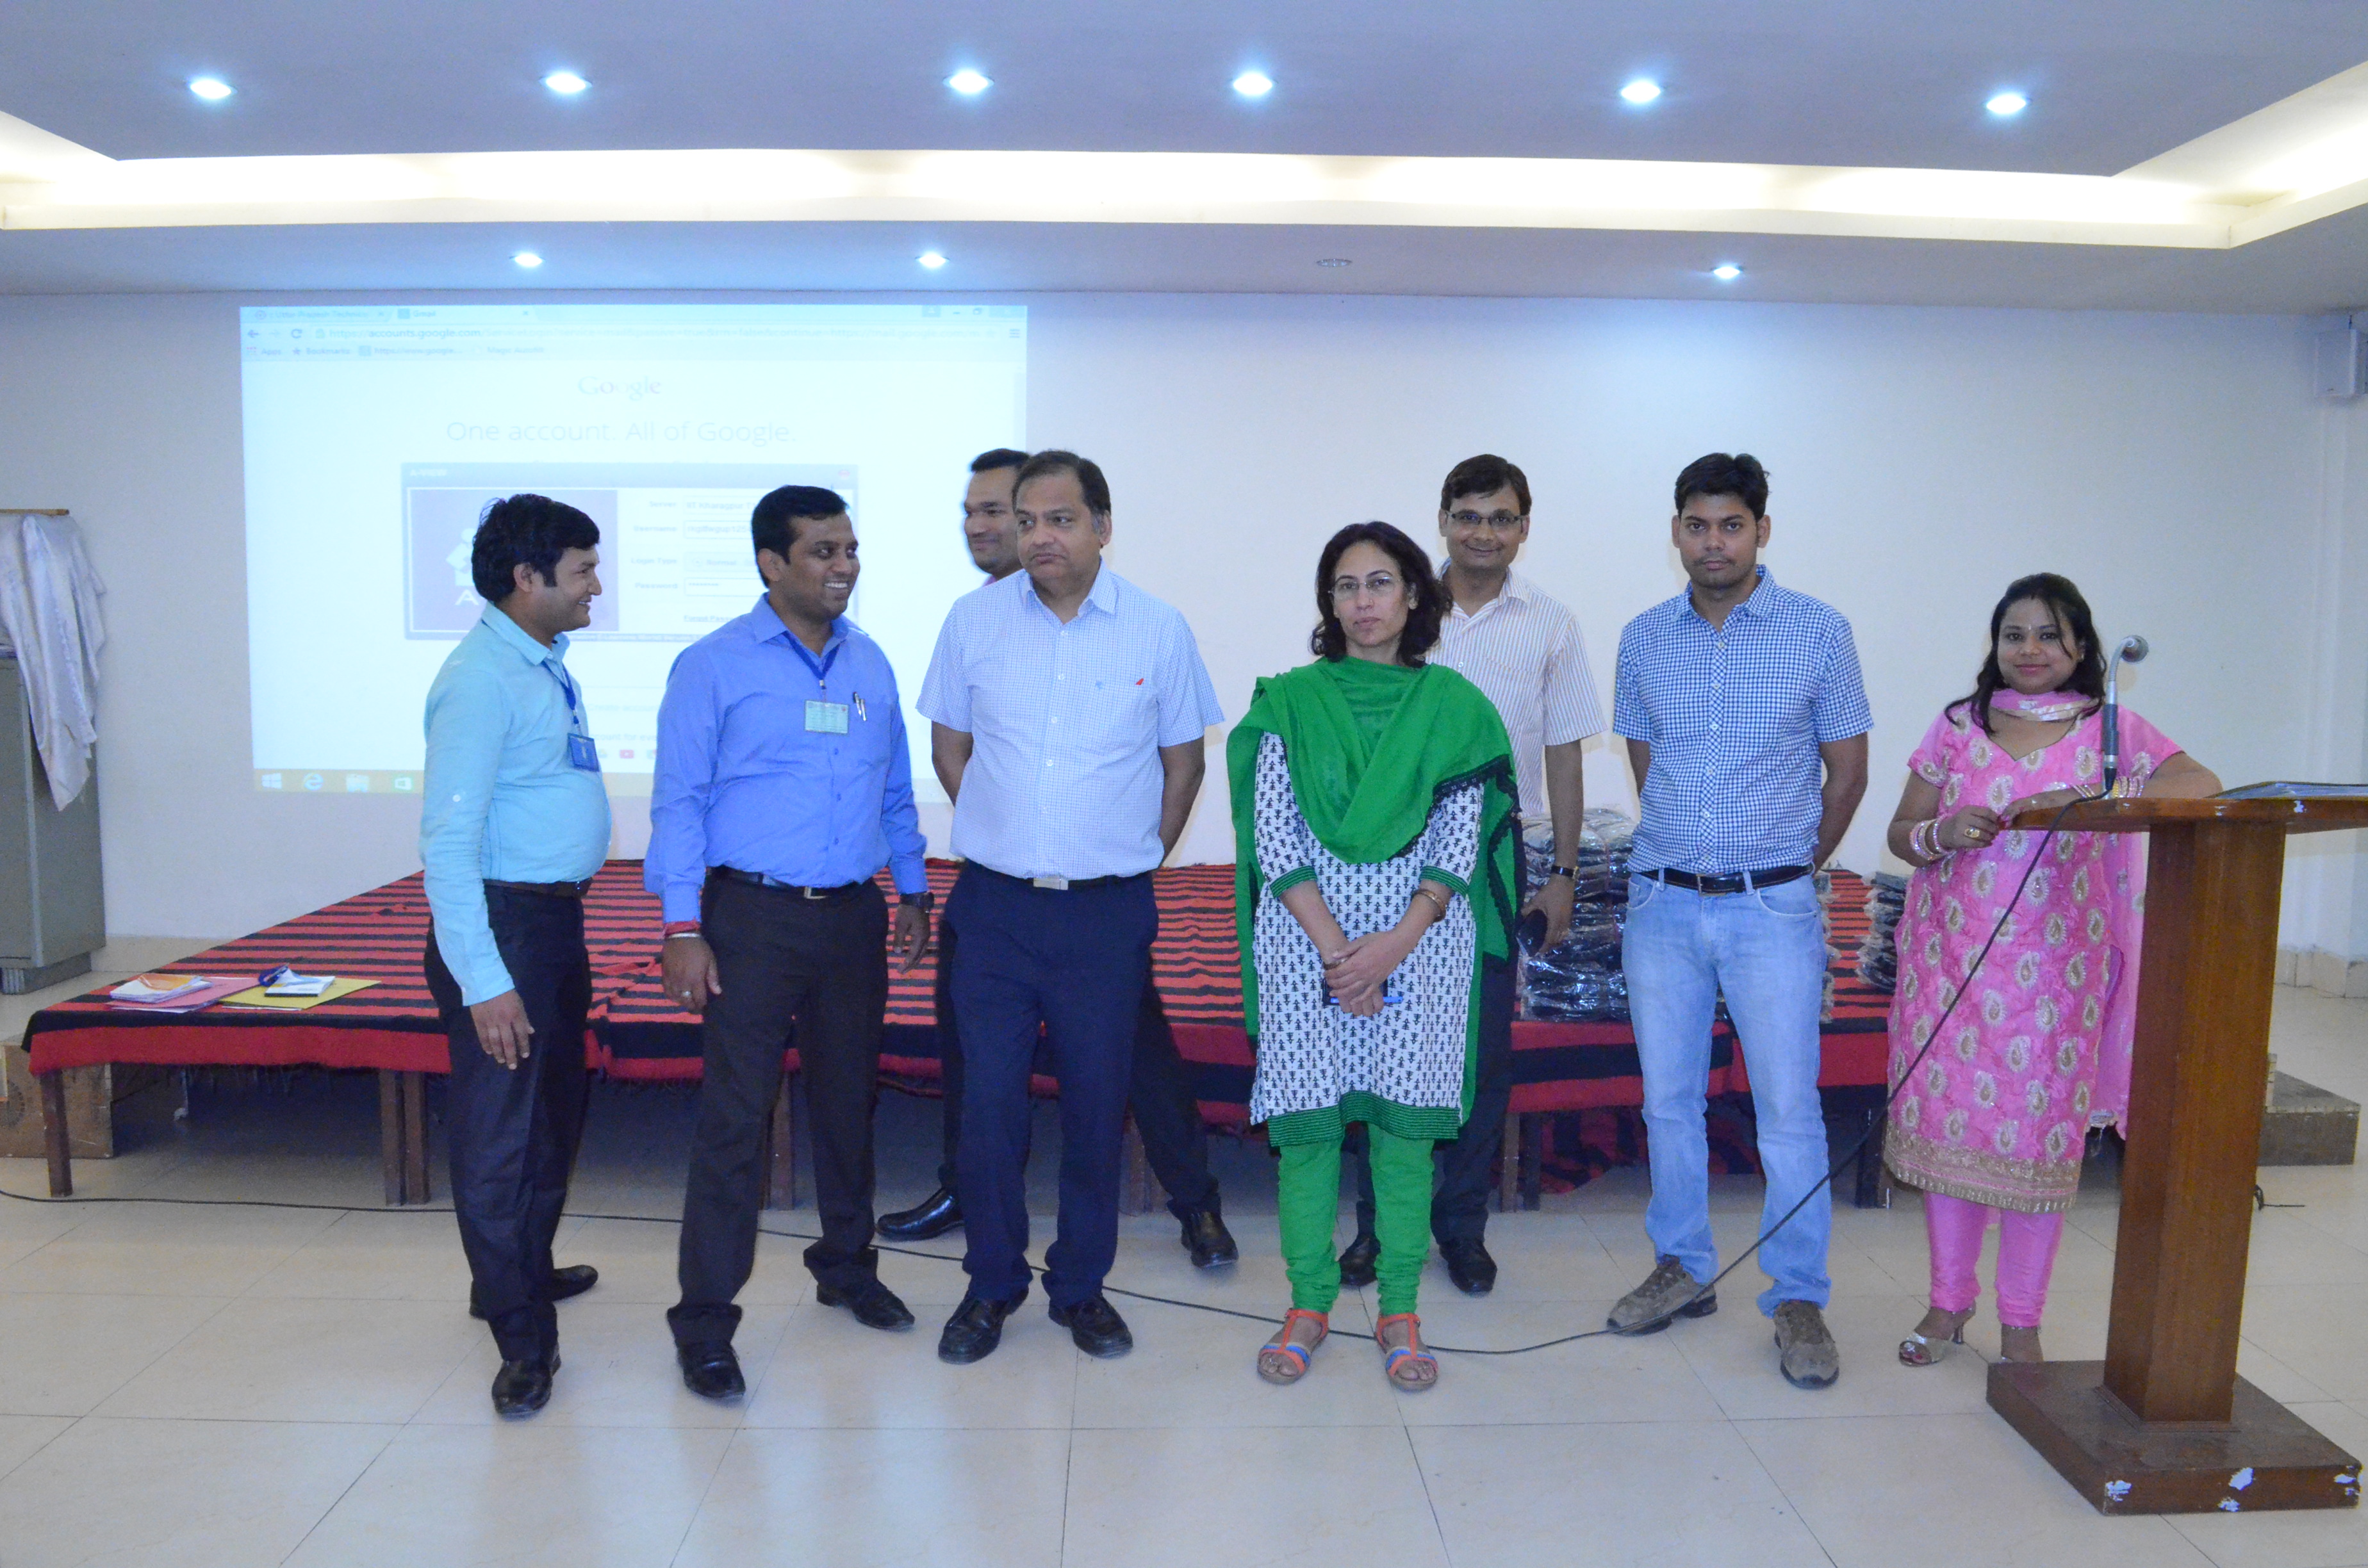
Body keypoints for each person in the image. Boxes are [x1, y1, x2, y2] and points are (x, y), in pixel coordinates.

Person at [880, 449, 1237, 1270]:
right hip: (996, 905)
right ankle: (991, 1283)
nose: (1040, 536)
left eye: (1062, 520)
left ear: (1103, 527)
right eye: (1028, 521)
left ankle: (1082, 1285)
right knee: (989, 1105)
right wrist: (1012, 831)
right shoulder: (974, 621)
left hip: (1105, 911)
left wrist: (1131, 857)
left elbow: (1184, 765)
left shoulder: (1157, 627)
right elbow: (949, 750)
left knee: (1095, 1109)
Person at [1884, 573, 2217, 1367]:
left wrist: (2100, 797)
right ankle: (1948, 1305)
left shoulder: (2110, 730)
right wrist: (1942, 833)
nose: (2029, 650)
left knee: (2037, 1147)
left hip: (2054, 982)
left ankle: (2022, 1325)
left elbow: (2199, 785)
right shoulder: (1958, 724)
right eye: (2014, 635)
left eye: (2048, 635)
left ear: (2080, 648)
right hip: (1951, 969)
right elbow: (1902, 832)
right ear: (1995, 645)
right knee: (1950, 1138)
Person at [647, 484, 933, 1401]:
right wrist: (681, 926)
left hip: (851, 917)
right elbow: (679, 803)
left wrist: (913, 888)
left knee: (849, 1104)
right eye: (823, 551)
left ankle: (846, 1267)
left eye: (851, 550)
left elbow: (894, 789)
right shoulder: (713, 665)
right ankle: (705, 1321)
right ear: (772, 563)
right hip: (752, 919)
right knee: (736, 1121)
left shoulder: (869, 661)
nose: (844, 567)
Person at [1231, 522, 1518, 1390]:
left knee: (1403, 1138)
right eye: (1347, 585)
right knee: (1309, 1134)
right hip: (1305, 949)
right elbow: (1275, 838)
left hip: (1421, 951)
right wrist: (1339, 956)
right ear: (1328, 602)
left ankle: (1400, 1309)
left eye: (1381, 582)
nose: (1364, 602)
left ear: (1413, 595)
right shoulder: (1288, 703)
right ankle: (1308, 1304)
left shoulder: (1455, 708)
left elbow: (1457, 846)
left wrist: (1390, 949)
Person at [1607, 452, 1870, 1391]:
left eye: (1730, 526)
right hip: (1664, 903)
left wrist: (1792, 870)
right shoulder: (1644, 638)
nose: (1712, 543)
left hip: (1773, 906)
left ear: (1762, 531)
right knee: (1668, 1102)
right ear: (1676, 532)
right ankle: (1682, 1266)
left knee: (1788, 1111)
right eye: (1696, 525)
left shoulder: (1819, 632)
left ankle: (1797, 1296)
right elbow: (1647, 764)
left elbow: (1849, 774)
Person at [1337, 453, 1604, 1297]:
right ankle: (1380, 1225)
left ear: (1523, 528)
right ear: (1444, 521)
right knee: (1385, 1044)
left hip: (1494, 859)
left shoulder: (1551, 624)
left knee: (1481, 1053)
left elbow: (1563, 753)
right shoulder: (1404, 610)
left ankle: (1461, 1228)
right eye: (1468, 516)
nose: (1483, 533)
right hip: (1391, 858)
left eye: (1501, 518)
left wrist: (1563, 873)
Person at [419, 494, 611, 1419]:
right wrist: (485, 980)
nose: (596, 587)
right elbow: (447, 846)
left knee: (551, 1122)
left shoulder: (541, 662)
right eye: (582, 571)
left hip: (551, 925)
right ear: (526, 578)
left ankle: (518, 1270)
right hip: (506, 933)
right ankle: (522, 1340)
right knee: (501, 1142)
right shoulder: (480, 679)